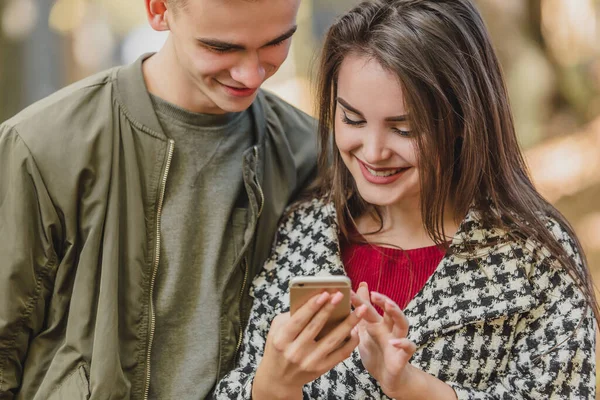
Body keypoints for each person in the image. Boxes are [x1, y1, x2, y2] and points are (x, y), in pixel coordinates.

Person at [214, 0, 598, 398]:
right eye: (352, 119)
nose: (374, 151)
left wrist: (414, 387)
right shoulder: (300, 231)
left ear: (463, 121)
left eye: (405, 128)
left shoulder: (535, 258)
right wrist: (272, 386)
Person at [0, 0, 316, 398]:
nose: (251, 73)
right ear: (158, 9)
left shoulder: (310, 155)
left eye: (276, 42)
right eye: (222, 48)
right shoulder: (41, 146)